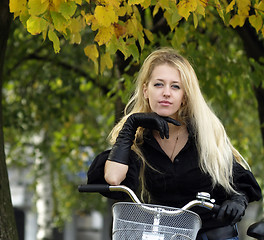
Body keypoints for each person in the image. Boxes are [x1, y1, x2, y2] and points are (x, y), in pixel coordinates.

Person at [87, 47, 262, 240]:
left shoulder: (205, 135)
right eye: (159, 85)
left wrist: (238, 200)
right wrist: (131, 124)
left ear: (184, 96)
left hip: (212, 234)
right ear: (146, 90)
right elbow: (113, 179)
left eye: (175, 86)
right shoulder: (137, 141)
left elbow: (240, 182)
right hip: (161, 234)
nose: (166, 93)